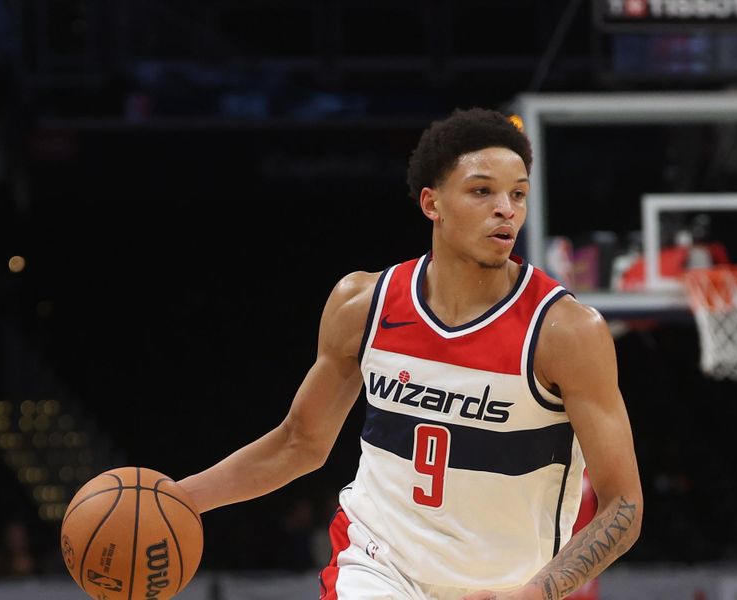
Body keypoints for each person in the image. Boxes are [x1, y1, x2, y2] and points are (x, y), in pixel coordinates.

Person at [178, 107, 643, 599]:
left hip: (508, 587)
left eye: (518, 193)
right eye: (482, 190)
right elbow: (299, 443)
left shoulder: (564, 331)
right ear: (432, 203)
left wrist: (534, 594)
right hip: (378, 566)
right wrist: (178, 498)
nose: (506, 208)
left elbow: (623, 505)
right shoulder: (363, 304)